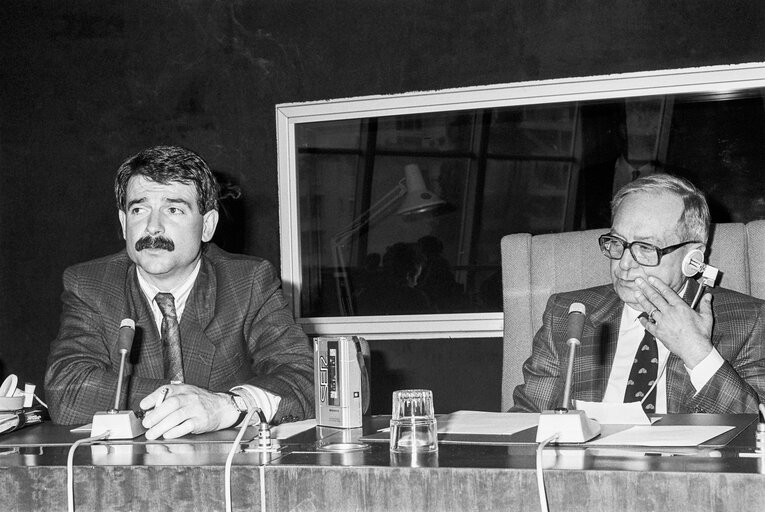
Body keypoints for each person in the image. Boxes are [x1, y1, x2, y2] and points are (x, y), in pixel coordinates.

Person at [45, 145, 314, 439]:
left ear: (207, 226)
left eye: (173, 209)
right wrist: (183, 401)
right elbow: (67, 390)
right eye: (139, 209)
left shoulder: (248, 282)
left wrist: (227, 406)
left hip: (229, 471)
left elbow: (305, 378)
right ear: (124, 224)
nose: (153, 227)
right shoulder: (91, 284)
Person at [512, 173, 765, 414]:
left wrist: (697, 351)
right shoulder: (568, 313)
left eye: (645, 247)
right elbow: (526, 419)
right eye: (617, 242)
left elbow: (758, 430)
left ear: (693, 256)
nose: (623, 264)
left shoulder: (749, 321)